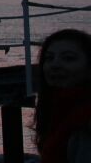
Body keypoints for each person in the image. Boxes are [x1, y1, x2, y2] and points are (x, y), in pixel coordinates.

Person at [34, 28, 91, 163]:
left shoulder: (85, 124)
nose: (55, 65)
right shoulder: (57, 109)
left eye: (68, 58)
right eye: (49, 58)